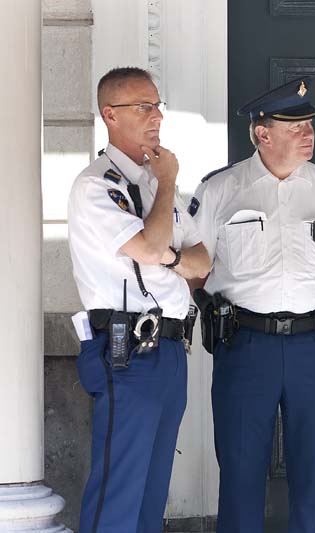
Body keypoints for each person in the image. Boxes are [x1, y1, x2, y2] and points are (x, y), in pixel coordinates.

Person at [189, 77, 315, 533]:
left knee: (313, 472)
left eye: (309, 125)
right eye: (293, 126)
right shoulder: (220, 190)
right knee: (239, 471)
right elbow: (195, 267)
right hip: (245, 345)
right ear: (261, 133)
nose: (307, 134)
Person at [67, 66, 211, 532]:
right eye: (143, 107)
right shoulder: (98, 185)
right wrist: (168, 185)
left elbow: (202, 262)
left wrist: (166, 255)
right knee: (120, 492)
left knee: (152, 493)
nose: (157, 117)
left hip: (169, 347)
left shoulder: (153, 183)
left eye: (158, 105)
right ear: (110, 114)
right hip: (125, 348)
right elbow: (151, 248)